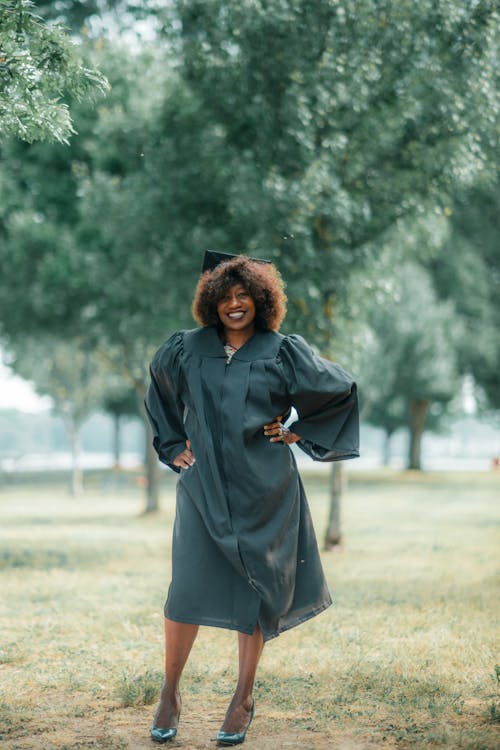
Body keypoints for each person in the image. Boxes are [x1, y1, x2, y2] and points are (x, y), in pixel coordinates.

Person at [144, 252, 359, 745]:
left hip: (265, 488)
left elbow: (339, 389)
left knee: (257, 589)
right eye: (225, 296)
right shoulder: (184, 348)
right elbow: (158, 394)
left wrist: (296, 433)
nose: (235, 304)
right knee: (185, 589)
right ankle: (170, 691)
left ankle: (242, 698)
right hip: (202, 487)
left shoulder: (282, 351)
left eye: (244, 295)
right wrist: (175, 447)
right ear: (211, 302)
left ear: (261, 300)